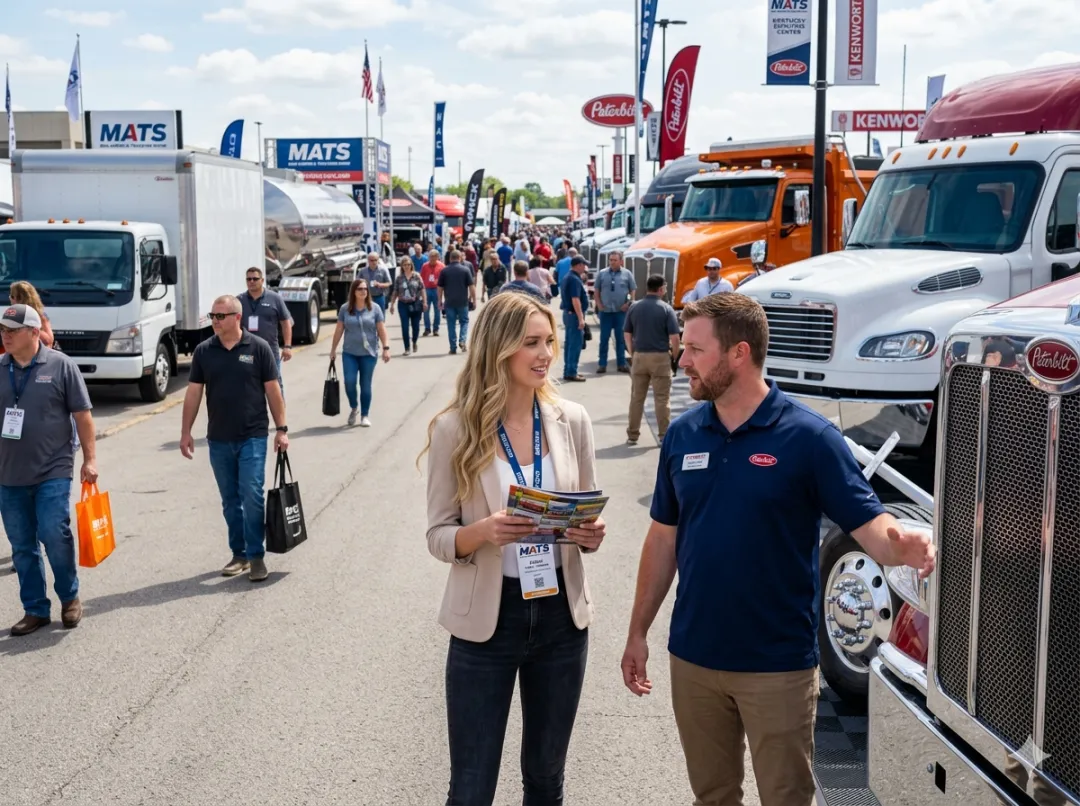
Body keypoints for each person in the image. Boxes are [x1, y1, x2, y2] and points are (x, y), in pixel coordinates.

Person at [619, 293, 937, 806]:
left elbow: (870, 523)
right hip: (694, 658)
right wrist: (637, 632)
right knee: (711, 797)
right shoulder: (683, 435)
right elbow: (663, 538)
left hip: (777, 666)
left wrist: (904, 541)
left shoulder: (808, 438)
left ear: (738, 353)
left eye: (696, 349)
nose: (683, 360)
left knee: (786, 798)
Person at [420, 291, 606, 806]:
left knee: (546, 778)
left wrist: (590, 534)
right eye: (531, 343)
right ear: (498, 349)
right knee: (472, 786)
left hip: (561, 617)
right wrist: (483, 531)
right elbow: (438, 535)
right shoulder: (454, 429)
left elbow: (586, 510)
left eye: (549, 341)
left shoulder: (573, 420)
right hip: (487, 621)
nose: (545, 354)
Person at [0, 304, 96, 636]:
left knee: (54, 533)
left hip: (53, 468)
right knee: (22, 545)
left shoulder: (60, 365)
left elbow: (83, 415)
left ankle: (69, 598)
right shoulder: (0, 368)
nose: (5, 336)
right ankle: (35, 609)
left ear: (34, 332)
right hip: (8, 473)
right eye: (3, 330)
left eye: (12, 331)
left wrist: (90, 459)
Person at [180, 295, 289, 582]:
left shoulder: (258, 348)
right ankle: (239, 554)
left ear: (237, 317)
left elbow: (273, 390)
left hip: (253, 436)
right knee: (230, 501)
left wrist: (282, 429)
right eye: (212, 316)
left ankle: (256, 556)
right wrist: (185, 432)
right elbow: (194, 393)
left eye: (220, 316)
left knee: (251, 495)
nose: (214, 321)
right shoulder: (204, 351)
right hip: (218, 439)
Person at [624, 275, 681, 445]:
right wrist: (674, 357)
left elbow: (627, 333)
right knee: (662, 398)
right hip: (660, 357)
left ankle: (633, 434)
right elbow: (675, 338)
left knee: (637, 398)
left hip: (639, 356)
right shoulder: (666, 309)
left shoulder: (634, 307)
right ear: (661, 289)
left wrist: (632, 352)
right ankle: (663, 435)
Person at [330, 279, 392, 427]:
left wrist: (386, 348)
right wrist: (333, 349)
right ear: (354, 292)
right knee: (349, 382)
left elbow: (381, 329)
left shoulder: (375, 308)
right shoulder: (345, 309)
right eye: (360, 289)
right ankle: (354, 407)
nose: (363, 291)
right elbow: (339, 330)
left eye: (365, 289)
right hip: (350, 353)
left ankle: (365, 415)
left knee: (365, 384)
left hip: (369, 354)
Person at [238, 267, 293, 391]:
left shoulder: (275, 298)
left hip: (270, 352)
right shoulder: (239, 300)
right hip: (246, 353)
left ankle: (279, 405)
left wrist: (287, 346)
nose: (251, 281)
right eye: (248, 279)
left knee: (275, 385)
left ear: (262, 280)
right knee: (247, 385)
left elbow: (286, 322)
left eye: (255, 279)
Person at [593, 250, 636, 374]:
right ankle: (602, 364)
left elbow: (632, 291)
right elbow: (596, 291)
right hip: (605, 312)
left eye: (615, 260)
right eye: (610, 260)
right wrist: (599, 304)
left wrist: (628, 303)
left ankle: (621, 364)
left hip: (620, 312)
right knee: (604, 339)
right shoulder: (602, 274)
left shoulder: (627, 274)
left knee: (621, 339)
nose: (612, 262)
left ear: (621, 261)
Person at [438, 249, 476, 355]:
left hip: (449, 302)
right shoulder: (465, 270)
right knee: (464, 322)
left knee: (451, 324)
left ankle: (453, 347)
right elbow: (471, 286)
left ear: (450, 258)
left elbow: (440, 287)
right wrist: (473, 299)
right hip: (462, 302)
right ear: (460, 258)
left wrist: (440, 300)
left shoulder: (444, 271)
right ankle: (462, 340)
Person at [559, 256, 589, 382]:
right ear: (578, 265)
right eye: (584, 265)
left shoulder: (569, 277)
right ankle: (571, 372)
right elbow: (575, 299)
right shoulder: (574, 279)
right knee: (575, 345)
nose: (585, 267)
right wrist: (581, 318)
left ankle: (569, 370)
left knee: (570, 344)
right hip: (574, 315)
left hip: (569, 314)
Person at [391, 256, 428, 356]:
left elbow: (422, 289)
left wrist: (425, 302)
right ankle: (407, 348)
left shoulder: (417, 276)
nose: (407, 266)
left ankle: (414, 341)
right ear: (402, 266)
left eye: (408, 264)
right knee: (405, 327)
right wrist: (392, 304)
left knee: (416, 326)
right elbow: (395, 291)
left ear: (411, 265)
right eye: (404, 265)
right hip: (403, 304)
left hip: (416, 303)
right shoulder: (399, 278)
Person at [7, 282, 55, 349]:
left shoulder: (41, 315)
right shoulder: (11, 315)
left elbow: (48, 341)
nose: (10, 298)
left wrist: (27, 327)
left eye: (12, 296)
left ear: (20, 298)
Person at [421, 249, 444, 337]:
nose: (433, 258)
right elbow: (421, 278)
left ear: (437, 257)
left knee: (437, 310)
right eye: (431, 256)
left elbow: (444, 279)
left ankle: (436, 329)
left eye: (434, 256)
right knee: (426, 310)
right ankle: (427, 328)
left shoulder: (441, 266)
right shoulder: (425, 266)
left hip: (437, 290)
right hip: (427, 289)